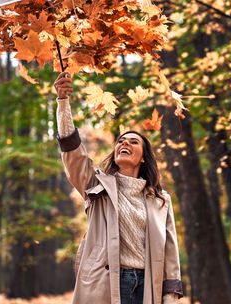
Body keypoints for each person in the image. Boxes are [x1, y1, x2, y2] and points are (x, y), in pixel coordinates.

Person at [54, 72, 183, 304]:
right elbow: (73, 153)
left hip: (147, 285)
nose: (125, 143)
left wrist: (170, 294)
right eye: (121, 141)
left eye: (133, 142)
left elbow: (170, 250)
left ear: (143, 157)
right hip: (106, 282)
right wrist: (63, 102)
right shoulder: (96, 185)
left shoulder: (160, 199)